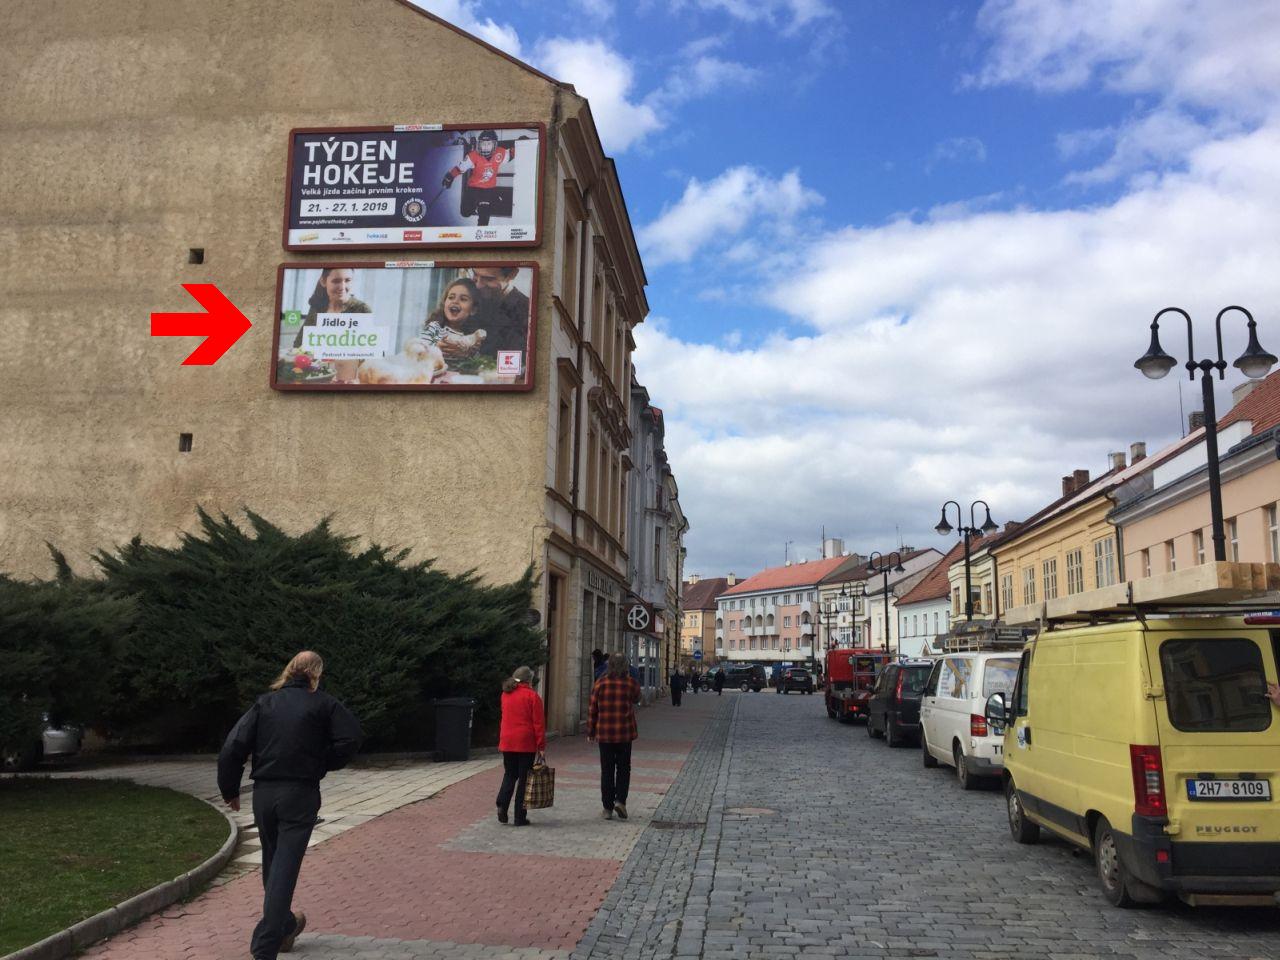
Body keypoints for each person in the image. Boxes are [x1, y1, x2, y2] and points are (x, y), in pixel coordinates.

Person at [217, 651, 362, 960]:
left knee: (273, 860)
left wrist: (229, 789)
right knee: (284, 867)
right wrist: (323, 762)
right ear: (316, 674)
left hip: (264, 795)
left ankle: (284, 926)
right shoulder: (324, 704)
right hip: (300, 793)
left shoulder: (264, 704)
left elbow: (232, 747)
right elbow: (351, 737)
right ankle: (265, 946)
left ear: (290, 671)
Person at [588, 653, 641, 821]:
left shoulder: (600, 683)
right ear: (625, 666)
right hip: (625, 733)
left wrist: (590, 732)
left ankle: (607, 808)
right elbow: (637, 698)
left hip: (605, 734)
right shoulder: (630, 683)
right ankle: (621, 801)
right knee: (624, 769)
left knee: (607, 770)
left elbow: (592, 709)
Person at [495, 665, 546, 827]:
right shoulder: (532, 696)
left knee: (510, 774)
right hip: (525, 743)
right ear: (529, 680)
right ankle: (519, 817)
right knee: (524, 780)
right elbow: (538, 724)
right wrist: (541, 746)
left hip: (507, 740)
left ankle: (502, 804)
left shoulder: (506, 694)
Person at [441, 129, 512, 226]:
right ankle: (478, 204)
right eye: (483, 144)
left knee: (484, 218)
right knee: (465, 213)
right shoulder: (473, 155)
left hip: (488, 189)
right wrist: (449, 177)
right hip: (473, 188)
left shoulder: (500, 153)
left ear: (494, 145)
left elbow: (511, 154)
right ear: (479, 144)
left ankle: (484, 206)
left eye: (489, 144)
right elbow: (460, 168)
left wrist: (522, 143)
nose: (485, 147)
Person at [417, 277, 486, 370]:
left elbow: (477, 366)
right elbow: (418, 353)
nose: (455, 301)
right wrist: (436, 348)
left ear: (473, 310)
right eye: (451, 297)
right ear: (444, 303)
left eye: (463, 299)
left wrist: (469, 353)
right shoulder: (434, 328)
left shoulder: (472, 338)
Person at [292, 268, 371, 348]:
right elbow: (299, 344)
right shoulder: (317, 307)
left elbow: (365, 353)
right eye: (336, 281)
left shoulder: (362, 310)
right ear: (323, 281)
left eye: (347, 280)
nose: (342, 287)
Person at [469, 266, 530, 356]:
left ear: (512, 275)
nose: (478, 285)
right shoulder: (466, 296)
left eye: (489, 279)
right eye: (475, 274)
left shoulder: (526, 310)